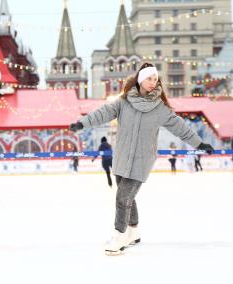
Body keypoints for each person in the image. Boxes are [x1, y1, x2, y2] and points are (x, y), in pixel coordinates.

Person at [69, 62, 214, 255]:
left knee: (122, 197)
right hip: (121, 156)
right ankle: (134, 231)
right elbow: (103, 113)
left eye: (155, 79)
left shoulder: (160, 108)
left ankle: (119, 235)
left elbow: (180, 127)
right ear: (140, 80)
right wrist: (82, 123)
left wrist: (199, 143)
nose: (153, 82)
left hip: (142, 159)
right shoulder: (123, 102)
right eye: (149, 78)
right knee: (128, 196)